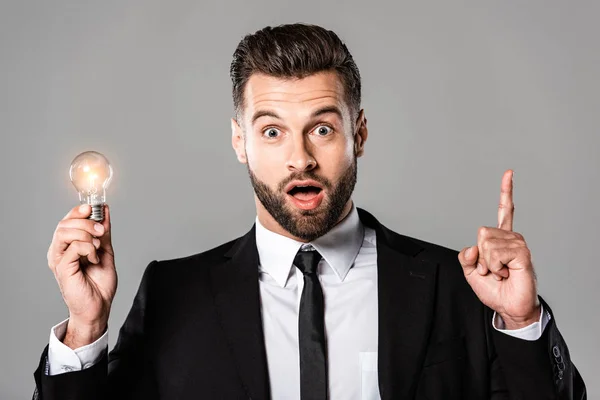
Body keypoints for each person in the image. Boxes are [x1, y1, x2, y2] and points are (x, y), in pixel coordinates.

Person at [33, 23, 586, 400]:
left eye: (322, 128)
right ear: (239, 141)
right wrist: (86, 328)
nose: (299, 157)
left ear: (359, 133)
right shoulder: (174, 294)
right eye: (271, 131)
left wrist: (520, 323)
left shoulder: (455, 286)